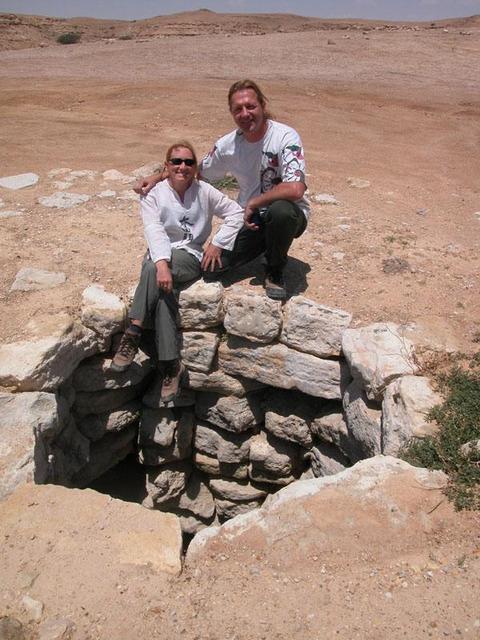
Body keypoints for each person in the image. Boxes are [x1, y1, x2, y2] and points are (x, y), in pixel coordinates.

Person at [136, 79, 310, 300]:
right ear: (231, 113)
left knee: (280, 211)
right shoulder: (228, 145)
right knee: (211, 269)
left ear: (263, 106)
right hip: (251, 220)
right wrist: (159, 176)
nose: (245, 114)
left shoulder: (285, 136)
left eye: (251, 106)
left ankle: (275, 269)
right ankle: (266, 243)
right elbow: (196, 171)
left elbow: (296, 189)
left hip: (288, 214)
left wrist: (255, 202)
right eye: (238, 109)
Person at [112, 141, 243, 403]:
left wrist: (217, 243)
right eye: (176, 161)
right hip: (158, 255)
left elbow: (236, 212)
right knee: (162, 293)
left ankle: (133, 331)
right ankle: (171, 364)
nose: (182, 166)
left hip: (190, 255)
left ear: (195, 167)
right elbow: (153, 229)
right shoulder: (153, 194)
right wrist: (162, 265)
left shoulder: (205, 191)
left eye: (188, 162)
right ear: (167, 166)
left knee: (151, 268)